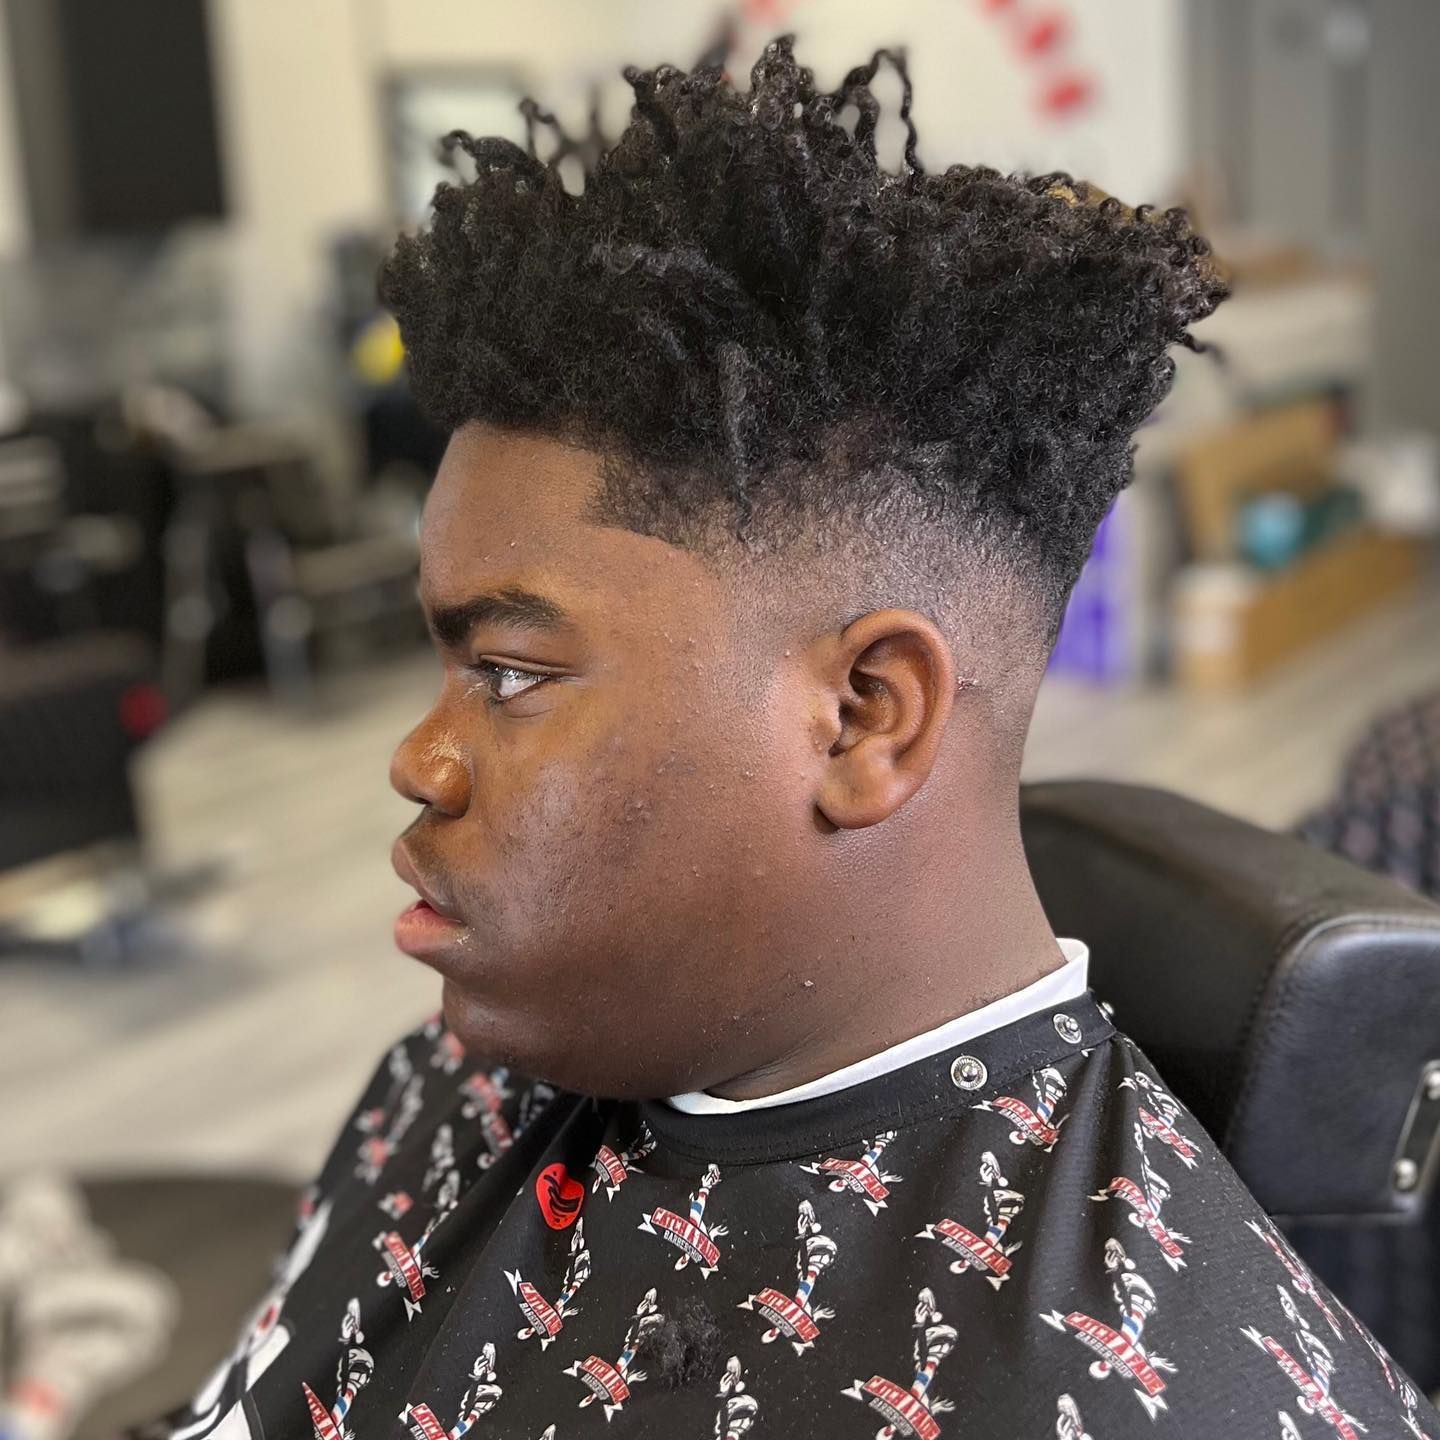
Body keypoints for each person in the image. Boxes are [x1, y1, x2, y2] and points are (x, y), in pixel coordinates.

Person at [152, 35, 1439, 1440]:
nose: (421, 759)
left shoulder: (1164, 1403)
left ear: (863, 717)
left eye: (511, 670)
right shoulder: (467, 1071)